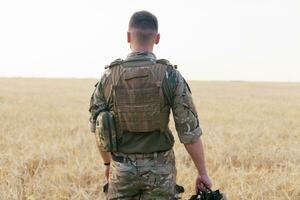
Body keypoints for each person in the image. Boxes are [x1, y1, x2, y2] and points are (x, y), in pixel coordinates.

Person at [89, 10, 212, 200]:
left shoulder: (108, 77)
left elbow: (99, 128)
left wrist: (107, 164)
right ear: (158, 38)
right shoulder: (170, 76)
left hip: (121, 169)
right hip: (160, 170)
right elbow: (189, 133)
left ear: (128, 36)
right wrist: (202, 173)